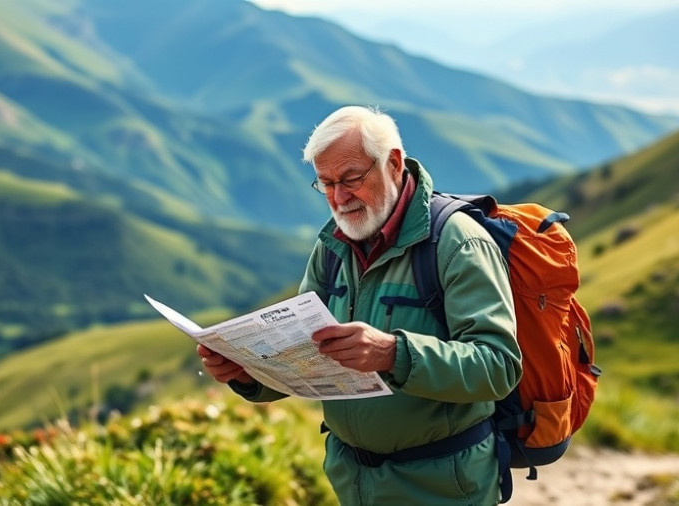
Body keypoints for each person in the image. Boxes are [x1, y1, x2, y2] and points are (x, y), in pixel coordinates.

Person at [197, 105, 522, 505]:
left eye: (351, 179)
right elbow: (302, 354)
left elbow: (498, 366)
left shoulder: (458, 243)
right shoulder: (333, 246)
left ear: (394, 163)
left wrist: (393, 353)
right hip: (352, 482)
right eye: (326, 183)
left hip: (443, 486)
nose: (339, 197)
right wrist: (246, 373)